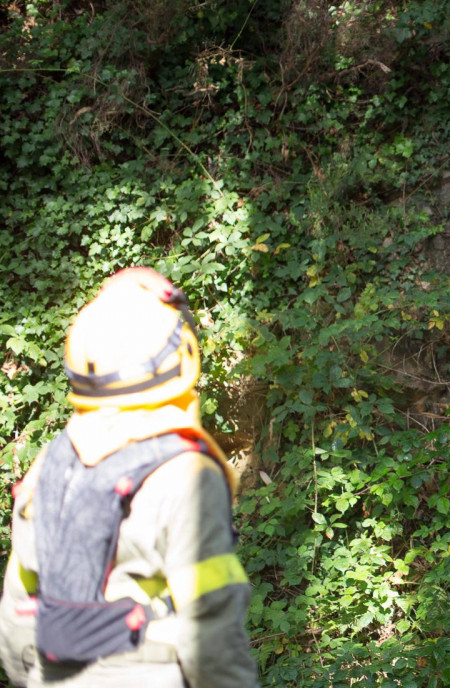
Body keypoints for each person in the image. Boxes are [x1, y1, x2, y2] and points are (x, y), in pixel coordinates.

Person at [0, 267, 259, 688]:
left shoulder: (52, 461)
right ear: (182, 354)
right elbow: (210, 627)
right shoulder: (185, 473)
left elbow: (18, 607)